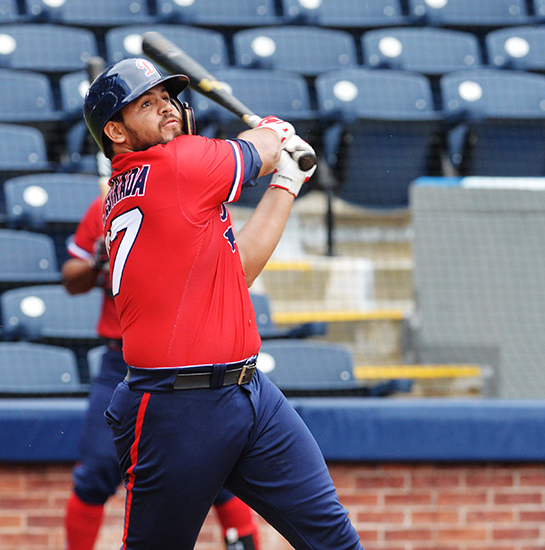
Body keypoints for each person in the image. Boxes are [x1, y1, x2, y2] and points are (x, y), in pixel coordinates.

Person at [82, 58, 364, 550]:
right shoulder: (174, 165)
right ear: (116, 132)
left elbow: (237, 275)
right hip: (175, 406)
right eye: (146, 104)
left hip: (250, 392)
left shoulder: (168, 185)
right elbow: (261, 146)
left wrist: (286, 184)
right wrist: (275, 131)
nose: (167, 108)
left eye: (166, 98)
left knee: (333, 538)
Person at [62, 189, 262, 550]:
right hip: (120, 362)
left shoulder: (195, 202)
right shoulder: (106, 206)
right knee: (95, 470)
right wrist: (96, 260)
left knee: (216, 473)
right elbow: (71, 278)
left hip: (185, 358)